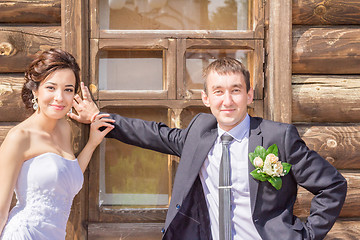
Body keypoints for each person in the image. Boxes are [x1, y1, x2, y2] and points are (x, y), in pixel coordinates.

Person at [70, 57, 347, 240]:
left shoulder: (278, 137)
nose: (227, 100)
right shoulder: (199, 134)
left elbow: (332, 185)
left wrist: (306, 235)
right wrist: (98, 118)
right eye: (218, 91)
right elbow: (154, 134)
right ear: (206, 98)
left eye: (236, 90)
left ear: (249, 95)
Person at [0, 49, 114, 240]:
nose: (60, 97)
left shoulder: (64, 128)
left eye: (68, 89)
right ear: (35, 90)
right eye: (51, 88)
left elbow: (68, 177)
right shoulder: (19, 137)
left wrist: (92, 143)